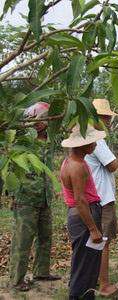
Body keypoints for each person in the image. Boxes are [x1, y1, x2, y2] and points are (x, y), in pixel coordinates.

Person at [9, 102, 60, 291]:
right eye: (34, 120)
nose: (38, 123)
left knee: (45, 236)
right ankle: (16, 279)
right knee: (22, 240)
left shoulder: (50, 140)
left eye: (42, 119)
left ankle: (41, 271)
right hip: (26, 198)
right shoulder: (23, 142)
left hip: (45, 197)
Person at [60, 125, 106, 300]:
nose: (95, 144)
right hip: (83, 216)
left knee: (85, 263)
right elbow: (80, 200)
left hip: (81, 215)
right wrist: (93, 228)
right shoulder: (77, 166)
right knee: (85, 266)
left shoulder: (71, 161)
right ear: (82, 145)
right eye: (91, 142)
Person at [84, 99, 118, 296]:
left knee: (93, 241)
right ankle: (104, 284)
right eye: (105, 117)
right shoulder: (96, 138)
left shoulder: (83, 135)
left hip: (92, 196)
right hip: (102, 198)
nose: (108, 120)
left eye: (108, 117)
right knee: (103, 241)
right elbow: (113, 165)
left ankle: (91, 277)